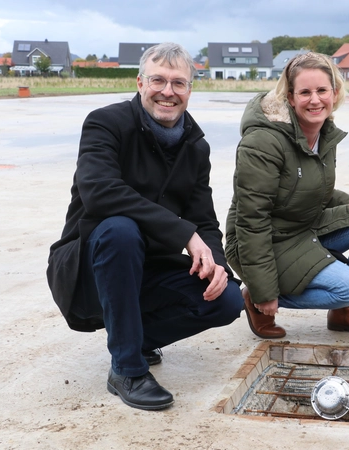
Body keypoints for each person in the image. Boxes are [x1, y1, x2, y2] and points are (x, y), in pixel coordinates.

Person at [46, 42, 243, 410]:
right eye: (158, 80)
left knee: (228, 300)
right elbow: (100, 192)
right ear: (140, 83)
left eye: (179, 83)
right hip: (91, 270)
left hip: (150, 270)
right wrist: (183, 234)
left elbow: (204, 220)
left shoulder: (195, 147)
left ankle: (131, 338)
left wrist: (217, 263)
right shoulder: (106, 123)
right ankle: (127, 369)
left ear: (189, 91)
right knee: (120, 229)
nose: (168, 92)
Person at [224, 52, 349, 340]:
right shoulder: (263, 142)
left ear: (334, 92)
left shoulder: (323, 132)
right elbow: (252, 220)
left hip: (303, 226)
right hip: (266, 240)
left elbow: (316, 189)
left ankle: (345, 312)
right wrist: (264, 289)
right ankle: (254, 297)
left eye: (322, 90)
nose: (315, 100)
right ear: (290, 97)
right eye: (305, 92)